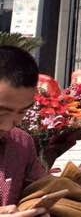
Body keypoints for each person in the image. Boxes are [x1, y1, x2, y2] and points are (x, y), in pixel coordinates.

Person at [0, 46, 48, 216]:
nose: (8, 125)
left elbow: (41, 189)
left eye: (22, 112)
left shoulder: (22, 144)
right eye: (1, 112)